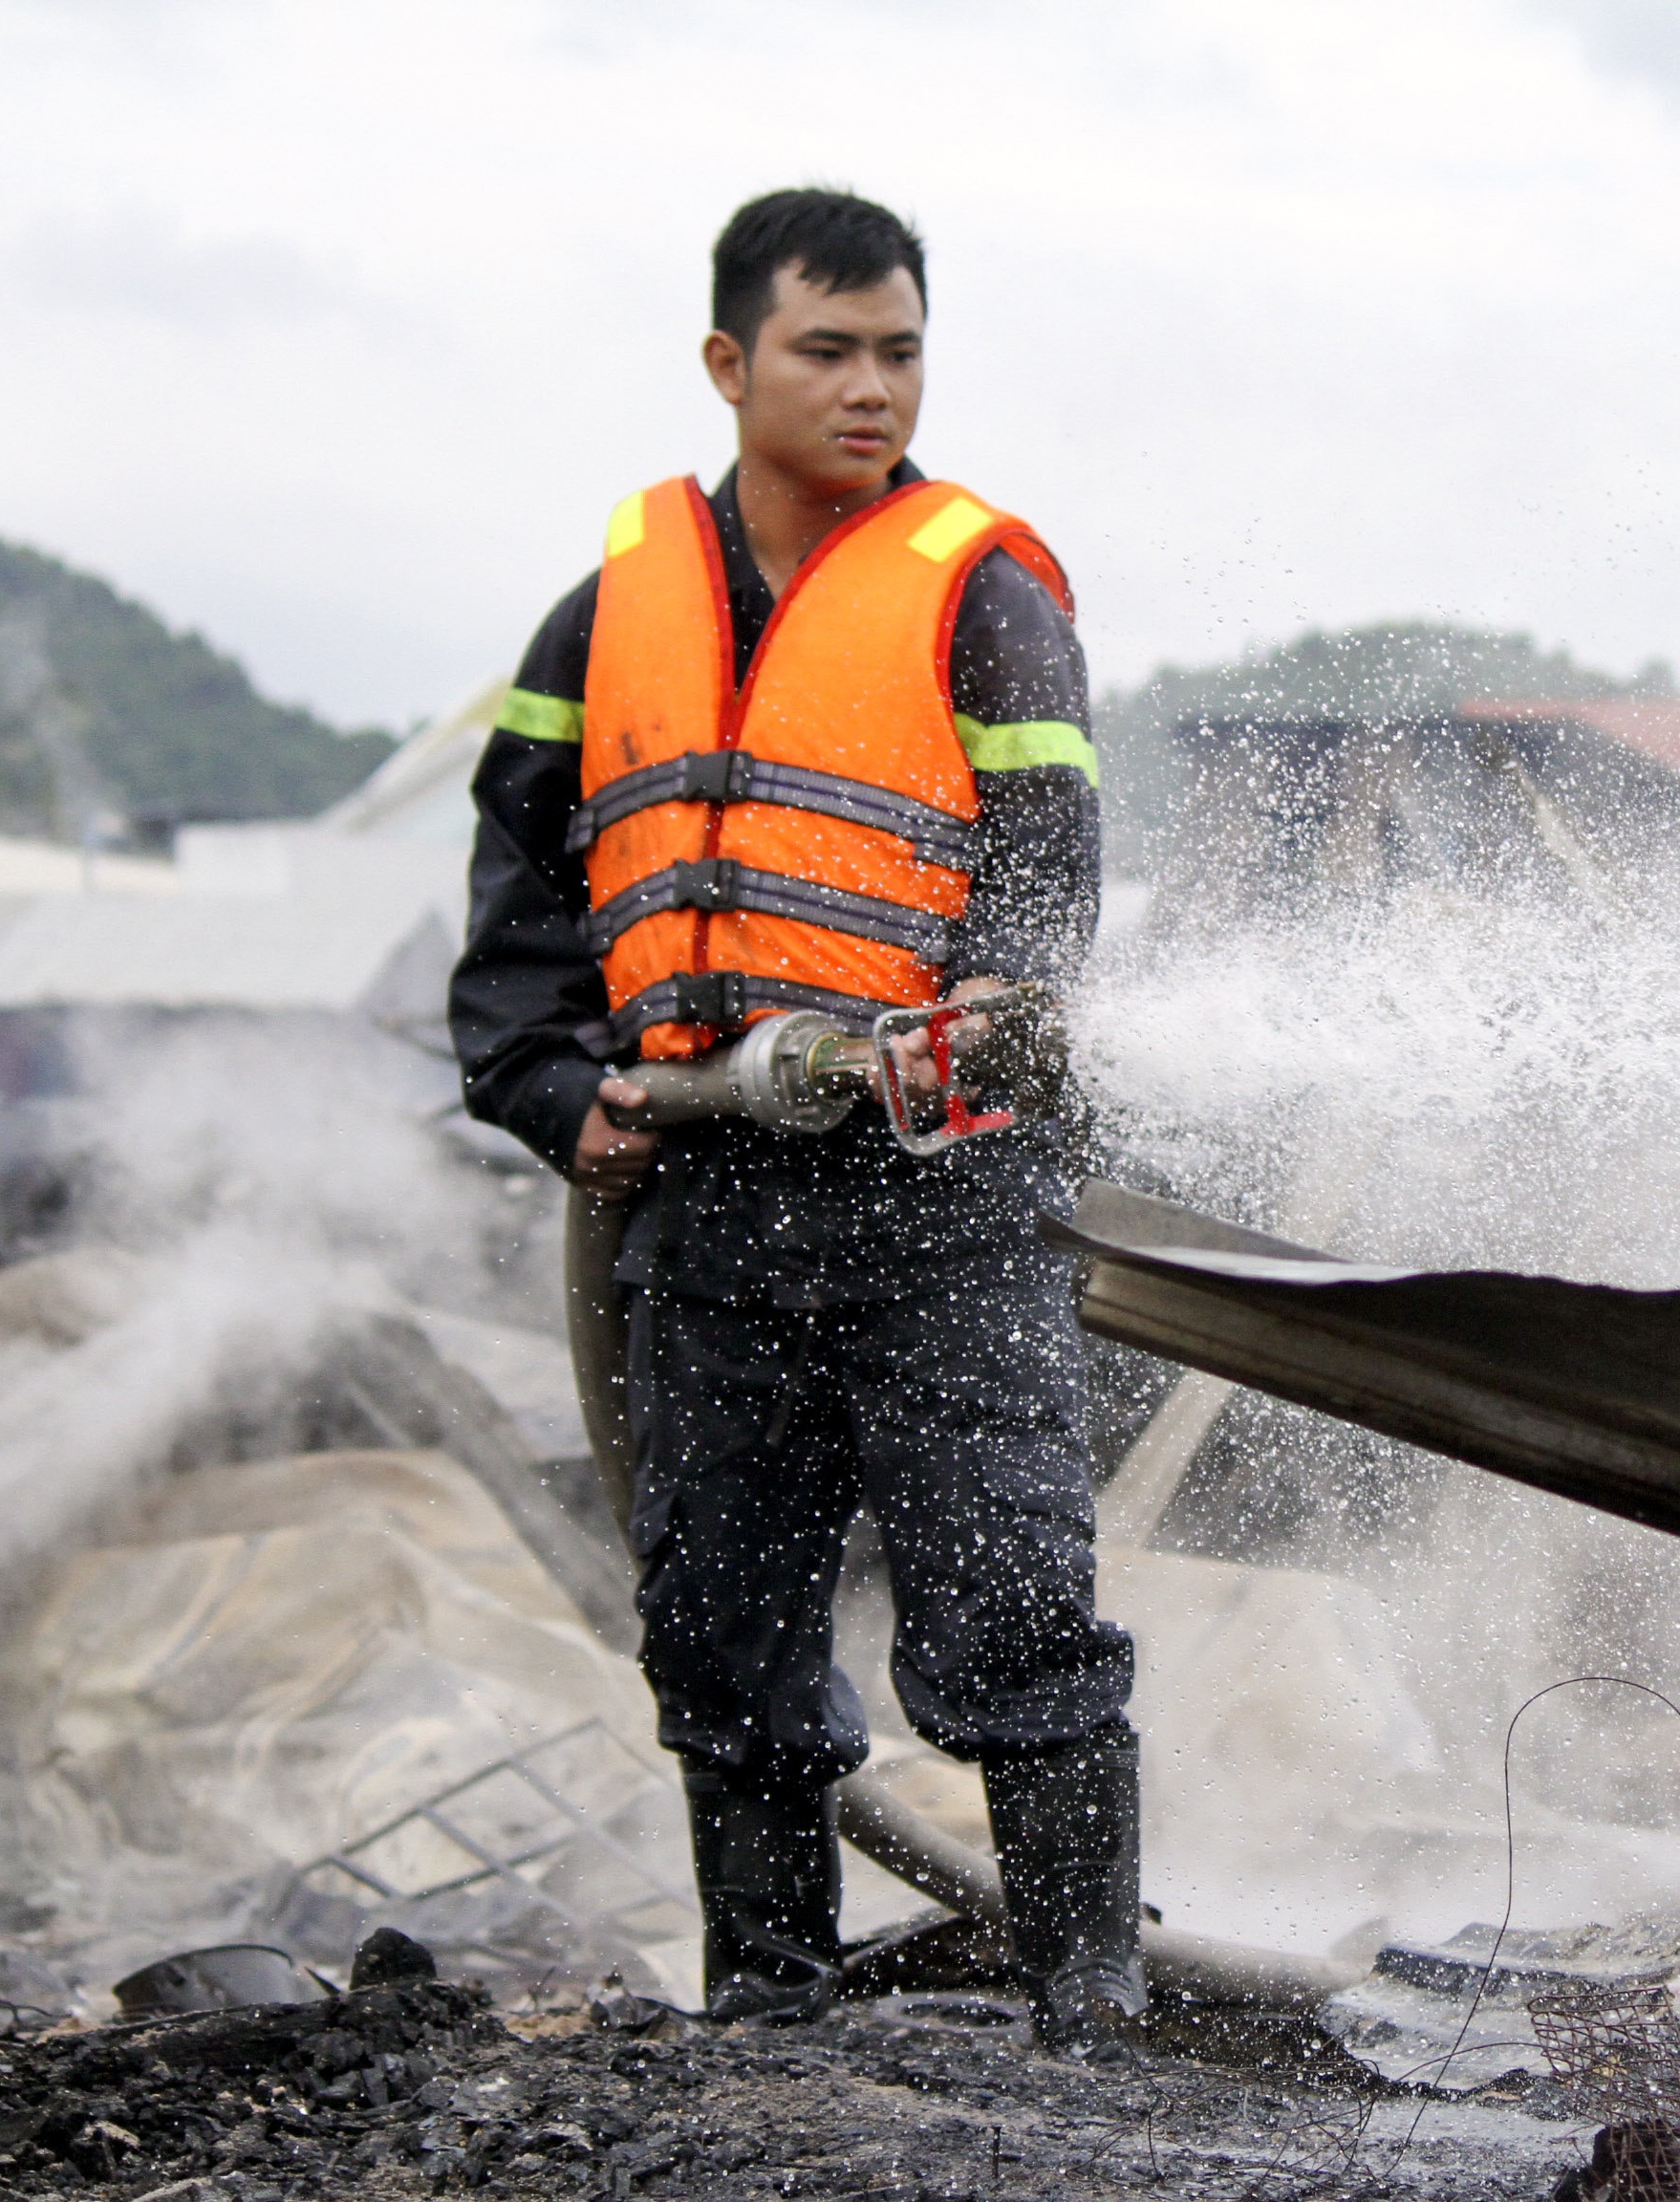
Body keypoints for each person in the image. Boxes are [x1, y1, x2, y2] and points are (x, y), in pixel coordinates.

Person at [447, 189, 1144, 2061]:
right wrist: (545, 1089)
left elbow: (1048, 874)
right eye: (828, 350)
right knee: (724, 1633)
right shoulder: (607, 622)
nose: (871, 388)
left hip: (947, 1204)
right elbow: (519, 909)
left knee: (1009, 1610)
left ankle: (1093, 2004)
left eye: (900, 352)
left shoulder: (981, 594)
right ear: (728, 361)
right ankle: (766, 2015)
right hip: (708, 1211)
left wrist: (1000, 996)